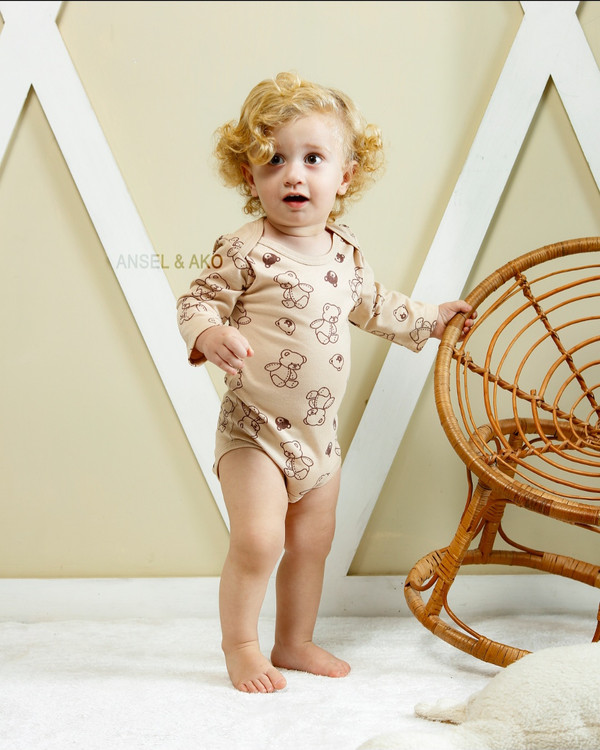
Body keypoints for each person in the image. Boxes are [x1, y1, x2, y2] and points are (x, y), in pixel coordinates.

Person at [176, 71, 475, 693]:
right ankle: (241, 645)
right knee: (259, 542)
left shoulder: (344, 251)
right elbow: (196, 300)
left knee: (312, 544)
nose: (293, 174)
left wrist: (431, 320)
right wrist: (209, 333)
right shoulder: (243, 249)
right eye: (274, 160)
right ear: (249, 176)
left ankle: (294, 641)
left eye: (313, 159)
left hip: (320, 438)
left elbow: (375, 305)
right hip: (255, 431)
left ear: (344, 177)